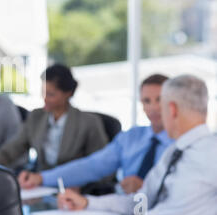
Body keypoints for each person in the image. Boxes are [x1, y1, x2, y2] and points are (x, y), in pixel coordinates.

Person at [57, 75, 217, 215]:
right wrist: (87, 202)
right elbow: (140, 204)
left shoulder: (211, 152)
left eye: (160, 104)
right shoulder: (173, 154)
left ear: (171, 109)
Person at [19, 74, 174, 195]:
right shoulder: (131, 138)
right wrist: (41, 178)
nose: (153, 107)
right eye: (147, 101)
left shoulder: (182, 142)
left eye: (159, 100)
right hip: (124, 211)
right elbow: (92, 166)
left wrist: (148, 188)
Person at [0, 64, 108, 177]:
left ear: (68, 93)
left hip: (75, 185)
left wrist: (80, 183)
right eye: (43, 92)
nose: (44, 98)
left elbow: (101, 165)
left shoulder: (88, 123)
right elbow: (11, 151)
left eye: (50, 94)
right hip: (39, 184)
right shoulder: (36, 117)